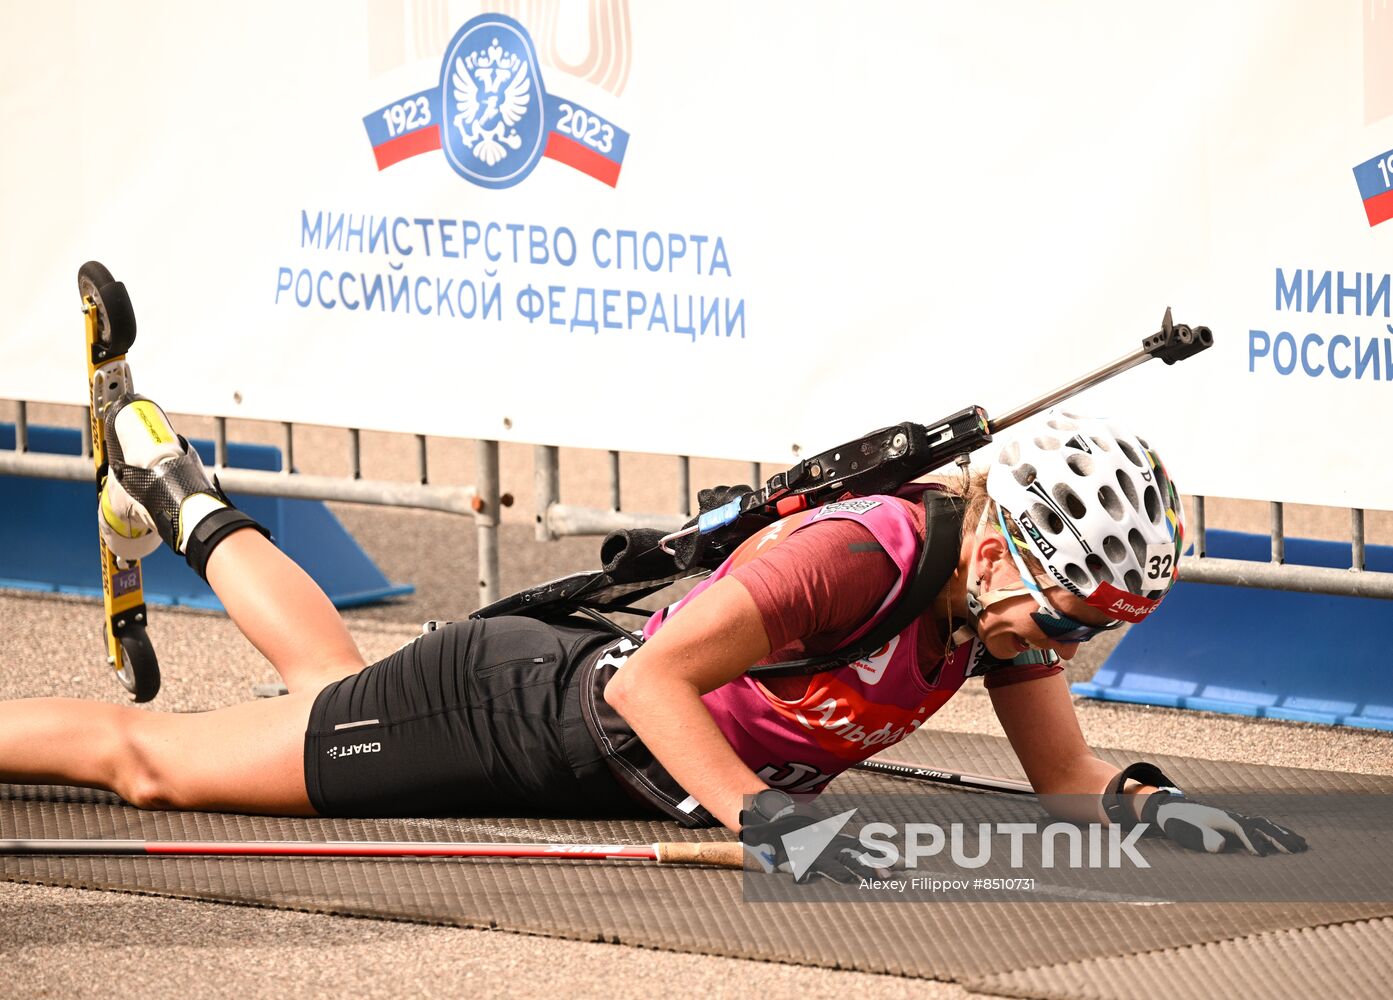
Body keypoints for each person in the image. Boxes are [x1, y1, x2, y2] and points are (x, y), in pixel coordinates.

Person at [0, 396, 1304, 881]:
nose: (1060, 637)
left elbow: (1062, 779)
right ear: (1003, 537)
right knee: (152, 765)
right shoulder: (858, 559)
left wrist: (1163, 810)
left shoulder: (997, 602)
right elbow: (649, 679)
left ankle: (167, 490)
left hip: (565, 736)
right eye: (1063, 608)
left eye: (1089, 621)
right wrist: (764, 821)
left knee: (328, 686)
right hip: (519, 717)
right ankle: (165, 491)